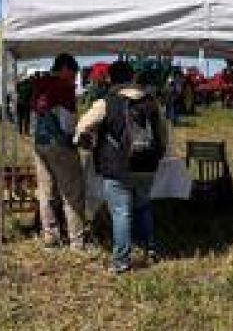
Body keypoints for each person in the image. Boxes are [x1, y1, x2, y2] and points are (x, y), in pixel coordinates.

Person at [75, 60, 167, 274]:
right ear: (132, 77)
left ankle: (121, 261)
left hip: (116, 166)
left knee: (121, 213)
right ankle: (150, 250)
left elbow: (82, 127)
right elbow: (162, 133)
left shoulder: (106, 102)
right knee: (143, 207)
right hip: (147, 165)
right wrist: (158, 155)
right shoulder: (151, 101)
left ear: (111, 79)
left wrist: (88, 143)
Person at [31, 53, 88, 251]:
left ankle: (50, 237)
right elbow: (69, 124)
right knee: (72, 192)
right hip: (60, 145)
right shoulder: (64, 88)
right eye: (72, 73)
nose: (74, 78)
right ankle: (77, 241)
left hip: (40, 143)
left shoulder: (39, 84)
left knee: (46, 192)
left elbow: (33, 116)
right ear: (64, 69)